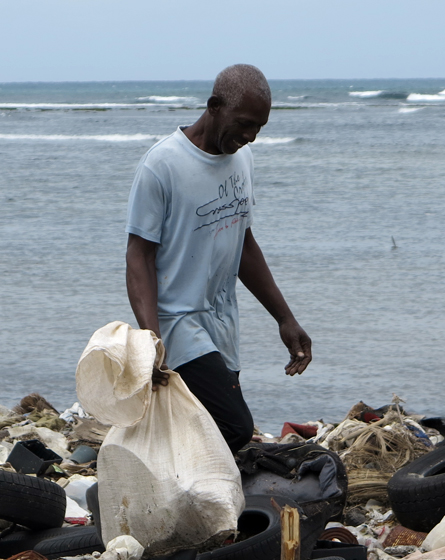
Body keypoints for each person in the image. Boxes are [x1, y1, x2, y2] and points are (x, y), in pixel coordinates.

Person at [124, 64, 311, 453]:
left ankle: (174, 498)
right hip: (178, 323)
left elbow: (242, 243)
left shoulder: (242, 160)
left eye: (259, 127)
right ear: (214, 106)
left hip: (223, 324)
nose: (250, 137)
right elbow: (138, 256)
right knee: (234, 427)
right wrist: (151, 340)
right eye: (244, 124)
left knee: (212, 432)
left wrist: (285, 318)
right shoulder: (162, 165)